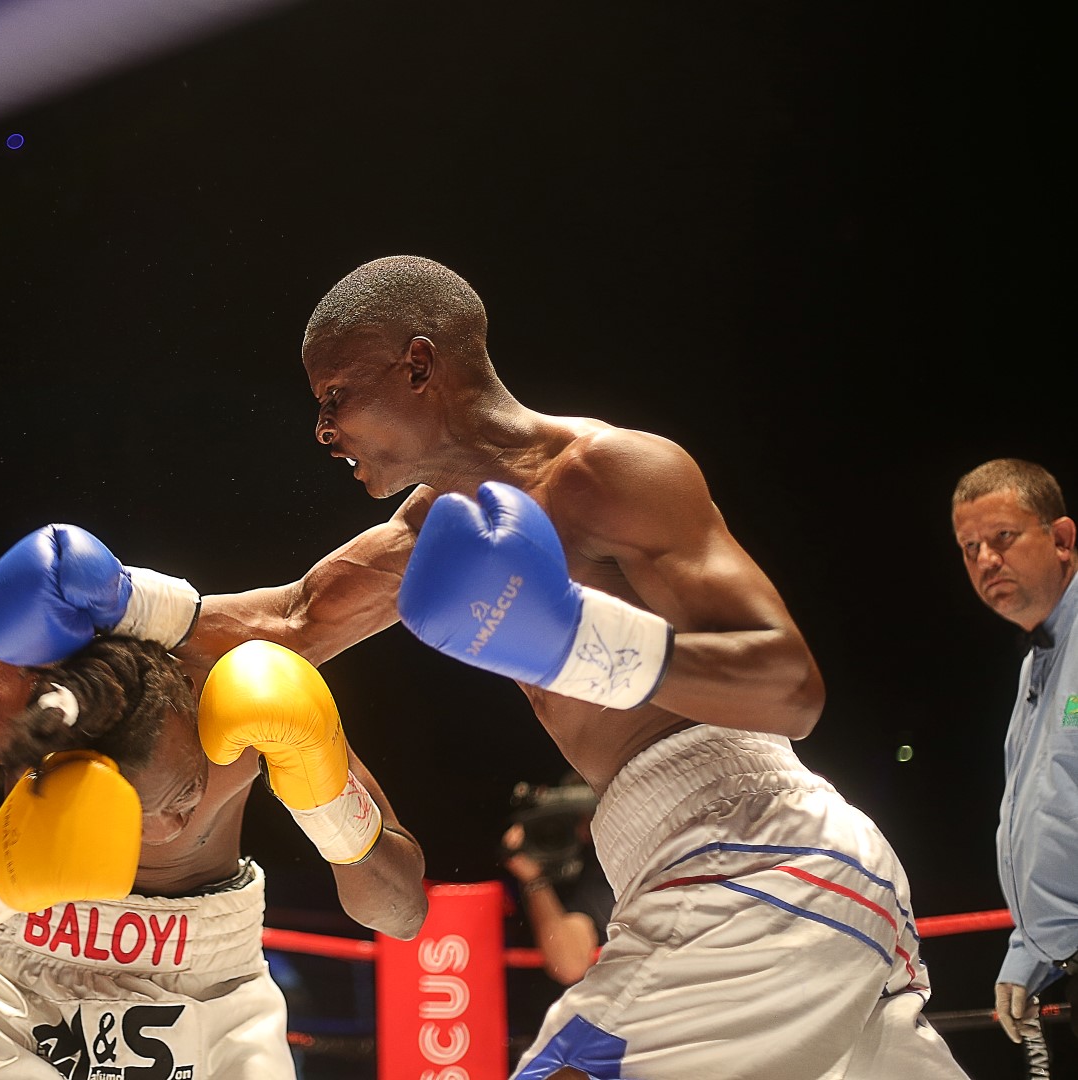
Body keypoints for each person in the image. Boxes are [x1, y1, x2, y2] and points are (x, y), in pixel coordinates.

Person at [165, 255, 969, 1078]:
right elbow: (294, 620)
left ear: (418, 365)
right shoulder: (435, 531)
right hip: (730, 876)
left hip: (756, 859)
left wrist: (576, 643)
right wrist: (127, 604)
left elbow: (790, 689)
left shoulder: (607, 473)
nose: (323, 429)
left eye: (335, 394)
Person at [0, 524, 428, 1079]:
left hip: (219, 989)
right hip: (21, 992)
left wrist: (330, 806)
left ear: (193, 700)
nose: (170, 827)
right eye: (130, 820)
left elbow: (402, 914)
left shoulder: (244, 676)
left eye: (184, 793)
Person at [950, 458, 1078, 1048]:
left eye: (1003, 536)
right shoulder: (1037, 664)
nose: (986, 559)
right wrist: (1029, 951)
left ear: (1062, 539)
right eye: (970, 547)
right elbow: (1049, 811)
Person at [499, 772, 611, 988]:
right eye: (578, 818)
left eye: (594, 812)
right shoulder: (582, 876)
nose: (585, 827)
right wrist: (535, 881)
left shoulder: (651, 854)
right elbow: (569, 965)